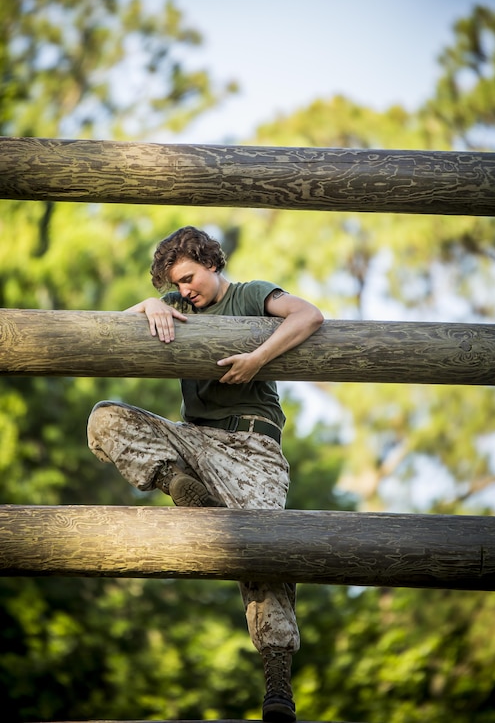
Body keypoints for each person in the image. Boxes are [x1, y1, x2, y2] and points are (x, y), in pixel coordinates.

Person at [87, 225, 324, 722]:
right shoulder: (175, 304)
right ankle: (177, 483)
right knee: (104, 418)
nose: (186, 290)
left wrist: (258, 358)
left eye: (190, 278)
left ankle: (276, 676)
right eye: (176, 285)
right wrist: (148, 307)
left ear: (211, 263)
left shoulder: (250, 295)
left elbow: (309, 314)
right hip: (195, 442)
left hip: (251, 447)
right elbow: (106, 329)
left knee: (262, 554)